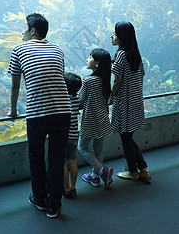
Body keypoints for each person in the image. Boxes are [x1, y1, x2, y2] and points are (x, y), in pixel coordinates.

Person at [8, 13, 71, 218]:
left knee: (36, 156)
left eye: (24, 29)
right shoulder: (58, 49)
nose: (23, 33)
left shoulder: (18, 49)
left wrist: (14, 111)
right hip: (63, 111)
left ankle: (39, 198)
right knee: (56, 157)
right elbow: (57, 78)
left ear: (32, 30)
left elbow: (15, 86)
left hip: (37, 113)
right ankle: (54, 204)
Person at [109, 21, 151, 182]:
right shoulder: (136, 54)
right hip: (136, 102)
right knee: (129, 137)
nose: (111, 36)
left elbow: (117, 81)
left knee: (125, 138)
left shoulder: (120, 55)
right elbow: (142, 75)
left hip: (124, 103)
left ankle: (133, 171)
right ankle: (143, 169)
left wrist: (111, 96)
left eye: (114, 33)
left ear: (122, 36)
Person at [78, 48, 114, 189]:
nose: (87, 59)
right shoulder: (105, 80)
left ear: (97, 63)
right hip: (103, 118)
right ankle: (94, 177)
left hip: (90, 120)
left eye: (90, 57)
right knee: (99, 149)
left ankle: (101, 171)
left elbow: (80, 100)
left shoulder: (88, 80)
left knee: (82, 147)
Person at [63, 72, 82, 199]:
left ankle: (66, 188)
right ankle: (73, 187)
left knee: (62, 163)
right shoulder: (76, 100)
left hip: (64, 136)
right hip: (75, 135)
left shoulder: (64, 100)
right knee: (72, 161)